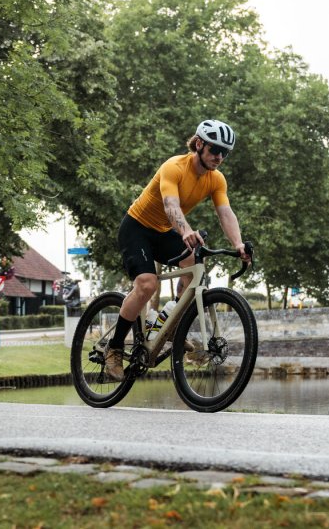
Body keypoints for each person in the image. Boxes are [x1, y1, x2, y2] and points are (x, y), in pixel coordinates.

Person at [104, 119, 251, 381]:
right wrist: (185, 232)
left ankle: (170, 324)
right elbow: (171, 205)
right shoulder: (174, 167)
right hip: (136, 228)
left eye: (225, 153)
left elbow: (225, 213)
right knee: (147, 284)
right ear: (199, 144)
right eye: (215, 150)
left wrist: (238, 244)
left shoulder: (216, 180)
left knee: (195, 266)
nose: (219, 157)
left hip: (162, 232)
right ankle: (114, 348)